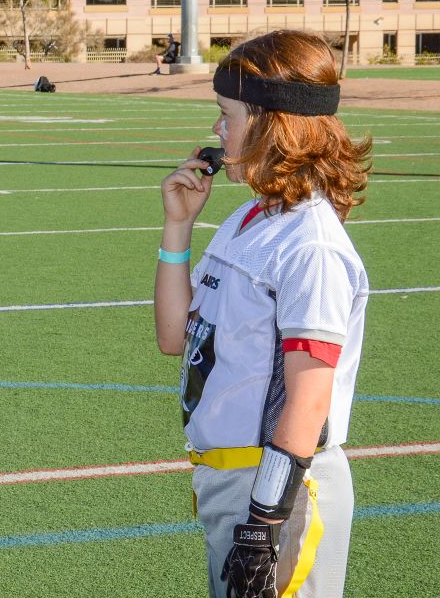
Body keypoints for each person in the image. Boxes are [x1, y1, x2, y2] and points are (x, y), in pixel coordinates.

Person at [154, 30, 371, 598]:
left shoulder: (310, 245)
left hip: (279, 489)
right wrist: (177, 227)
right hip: (231, 480)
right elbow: (176, 337)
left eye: (226, 116)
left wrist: (265, 522)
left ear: (273, 124)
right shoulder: (251, 220)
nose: (216, 132)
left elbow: (309, 398)